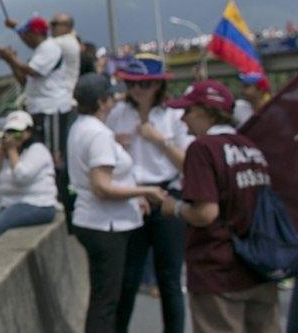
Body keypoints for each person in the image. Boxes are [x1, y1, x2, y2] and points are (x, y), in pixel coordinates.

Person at [161, 80, 281, 332]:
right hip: (259, 267)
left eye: (187, 112)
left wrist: (174, 208)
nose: (183, 120)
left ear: (204, 111)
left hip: (217, 271)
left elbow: (206, 213)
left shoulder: (203, 149)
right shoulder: (250, 146)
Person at [68, 73, 166, 333]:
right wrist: (145, 191)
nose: (116, 100)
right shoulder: (98, 134)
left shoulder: (84, 127)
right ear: (102, 102)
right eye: (111, 96)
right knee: (106, 301)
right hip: (105, 225)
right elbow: (101, 186)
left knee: (104, 297)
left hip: (95, 221)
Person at [106, 54, 193, 333]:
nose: (137, 90)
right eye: (132, 84)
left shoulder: (174, 116)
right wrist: (114, 144)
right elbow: (105, 160)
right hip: (131, 197)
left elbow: (188, 166)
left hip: (167, 197)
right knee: (127, 279)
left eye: (144, 84)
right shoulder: (117, 114)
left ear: (157, 85)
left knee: (169, 280)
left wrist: (160, 140)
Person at [0, 15, 75, 209]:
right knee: (43, 152)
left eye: (25, 35)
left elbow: (33, 71)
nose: (23, 40)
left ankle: (59, 198)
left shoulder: (49, 48)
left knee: (54, 155)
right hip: (39, 108)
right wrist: (11, 63)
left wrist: (12, 58)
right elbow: (25, 80)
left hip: (52, 108)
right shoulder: (40, 51)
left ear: (35, 34)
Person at [0, 111, 58, 251]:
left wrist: (12, 150)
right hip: (12, 204)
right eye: (10, 132)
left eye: (18, 132)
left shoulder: (38, 150)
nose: (13, 137)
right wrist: (1, 154)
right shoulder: (10, 155)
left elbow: (22, 177)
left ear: (28, 133)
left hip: (37, 204)